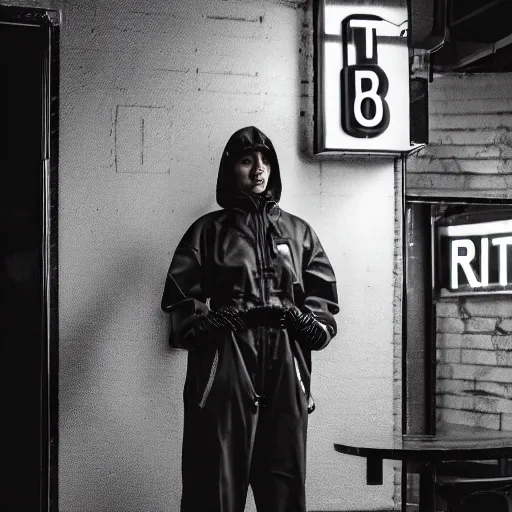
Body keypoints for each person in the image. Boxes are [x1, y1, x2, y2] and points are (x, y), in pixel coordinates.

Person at [161, 126, 339, 512]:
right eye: (247, 161)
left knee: (284, 491)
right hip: (225, 374)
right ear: (230, 171)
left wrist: (298, 318)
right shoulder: (208, 231)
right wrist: (223, 320)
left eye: (265, 160)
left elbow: (323, 313)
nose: (259, 169)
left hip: (285, 376)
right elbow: (181, 307)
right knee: (215, 489)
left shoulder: (299, 233)